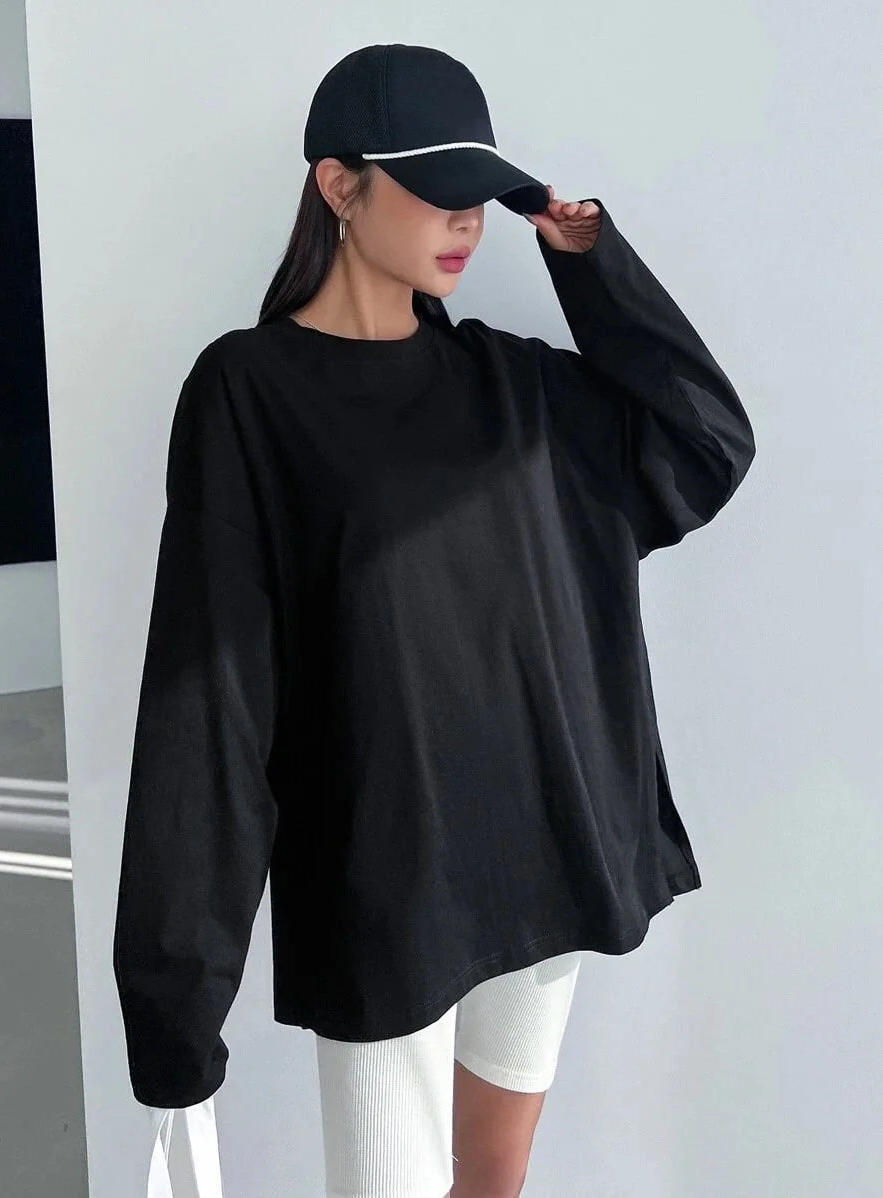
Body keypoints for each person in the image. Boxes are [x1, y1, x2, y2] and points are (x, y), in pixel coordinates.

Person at [113, 43, 757, 1198]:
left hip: (545, 846)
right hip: (387, 880)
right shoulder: (249, 392)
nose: (467, 219)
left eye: (480, 192)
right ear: (339, 185)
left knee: (494, 1180)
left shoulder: (517, 387)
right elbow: (210, 702)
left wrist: (593, 265)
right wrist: (174, 1003)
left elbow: (705, 441)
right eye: (436, 186)